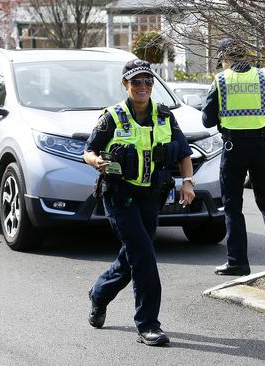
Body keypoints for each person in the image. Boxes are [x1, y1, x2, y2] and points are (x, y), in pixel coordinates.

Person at [83, 59, 195, 346]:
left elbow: (183, 152)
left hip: (151, 197)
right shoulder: (113, 117)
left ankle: (99, 294)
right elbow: (89, 150)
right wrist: (98, 162)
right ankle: (148, 324)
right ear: (126, 85)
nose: (142, 87)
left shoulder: (165, 115)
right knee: (144, 257)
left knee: (132, 257)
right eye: (136, 82)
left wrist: (188, 183)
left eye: (147, 81)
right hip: (119, 196)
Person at [202, 38, 265, 276]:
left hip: (234, 148)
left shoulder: (221, 80)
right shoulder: (262, 78)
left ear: (225, 58)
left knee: (232, 207)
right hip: (262, 147)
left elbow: (207, 120)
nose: (221, 65)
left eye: (221, 61)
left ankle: (237, 262)